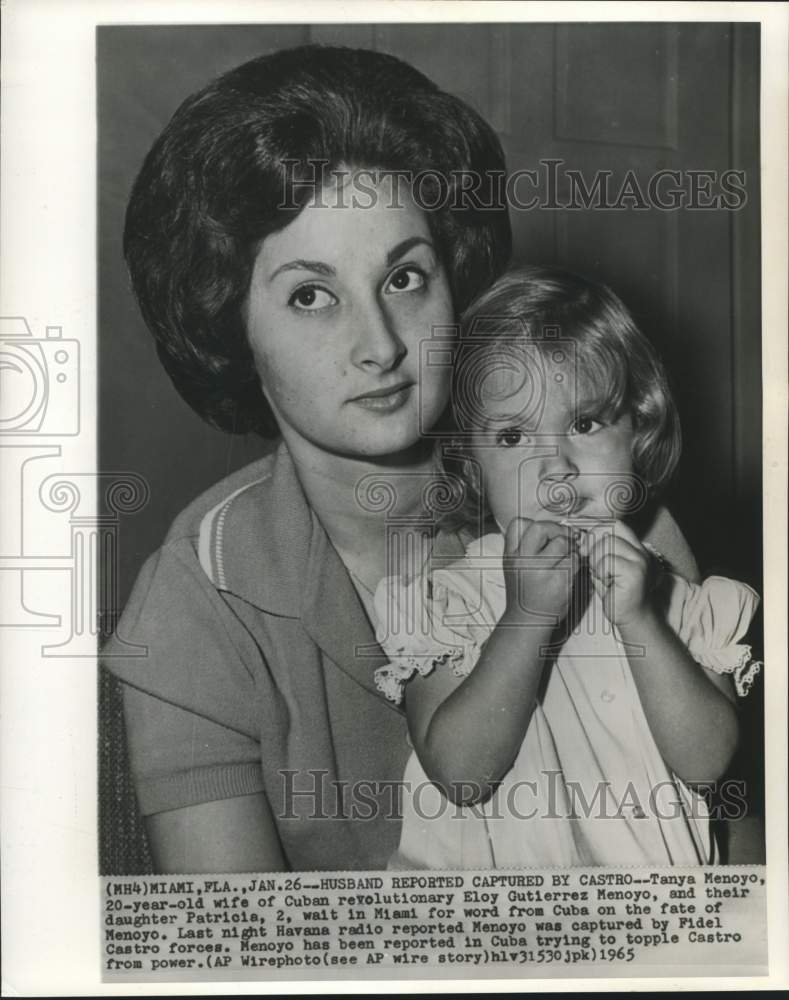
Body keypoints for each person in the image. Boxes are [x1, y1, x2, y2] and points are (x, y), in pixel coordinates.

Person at [104, 46, 698, 874]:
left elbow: (726, 861)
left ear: (453, 279)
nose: (379, 346)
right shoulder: (190, 605)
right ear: (228, 325)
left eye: (405, 278)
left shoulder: (611, 511)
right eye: (310, 296)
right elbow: (238, 953)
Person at [373, 267, 761, 869]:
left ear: (639, 428)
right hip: (489, 936)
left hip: (654, 928)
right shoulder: (447, 604)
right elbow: (460, 774)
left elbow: (710, 763)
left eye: (583, 424)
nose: (555, 465)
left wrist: (641, 623)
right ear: (471, 467)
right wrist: (525, 617)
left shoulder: (678, 600)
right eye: (511, 437)